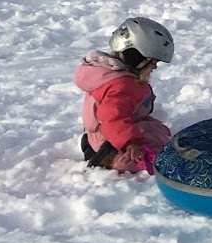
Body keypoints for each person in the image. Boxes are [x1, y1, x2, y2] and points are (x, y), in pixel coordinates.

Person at [74, 17, 174, 173]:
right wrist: (130, 143)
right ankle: (108, 159)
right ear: (137, 57)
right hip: (113, 137)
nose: (154, 66)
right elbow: (112, 117)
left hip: (113, 132)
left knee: (158, 133)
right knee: (152, 155)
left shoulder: (115, 76)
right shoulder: (121, 85)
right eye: (152, 61)